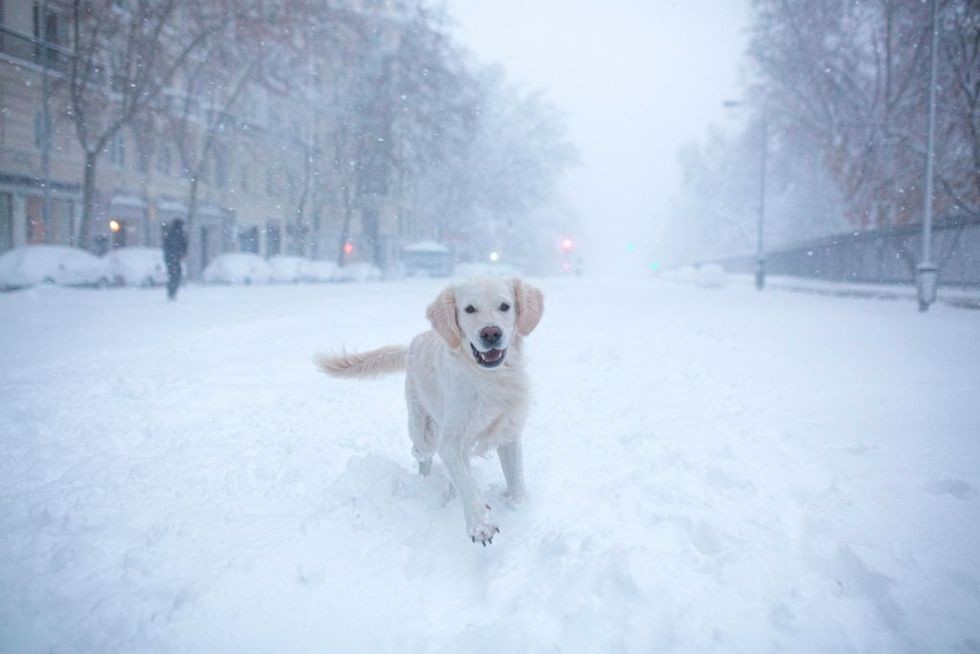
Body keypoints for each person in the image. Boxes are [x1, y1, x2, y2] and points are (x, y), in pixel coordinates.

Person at [163, 219, 188, 301]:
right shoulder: (180, 234)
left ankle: (171, 292)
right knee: (176, 276)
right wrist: (181, 254)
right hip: (175, 258)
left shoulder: (170, 233)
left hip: (170, 259)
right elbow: (183, 246)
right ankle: (172, 292)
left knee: (173, 275)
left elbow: (166, 246)